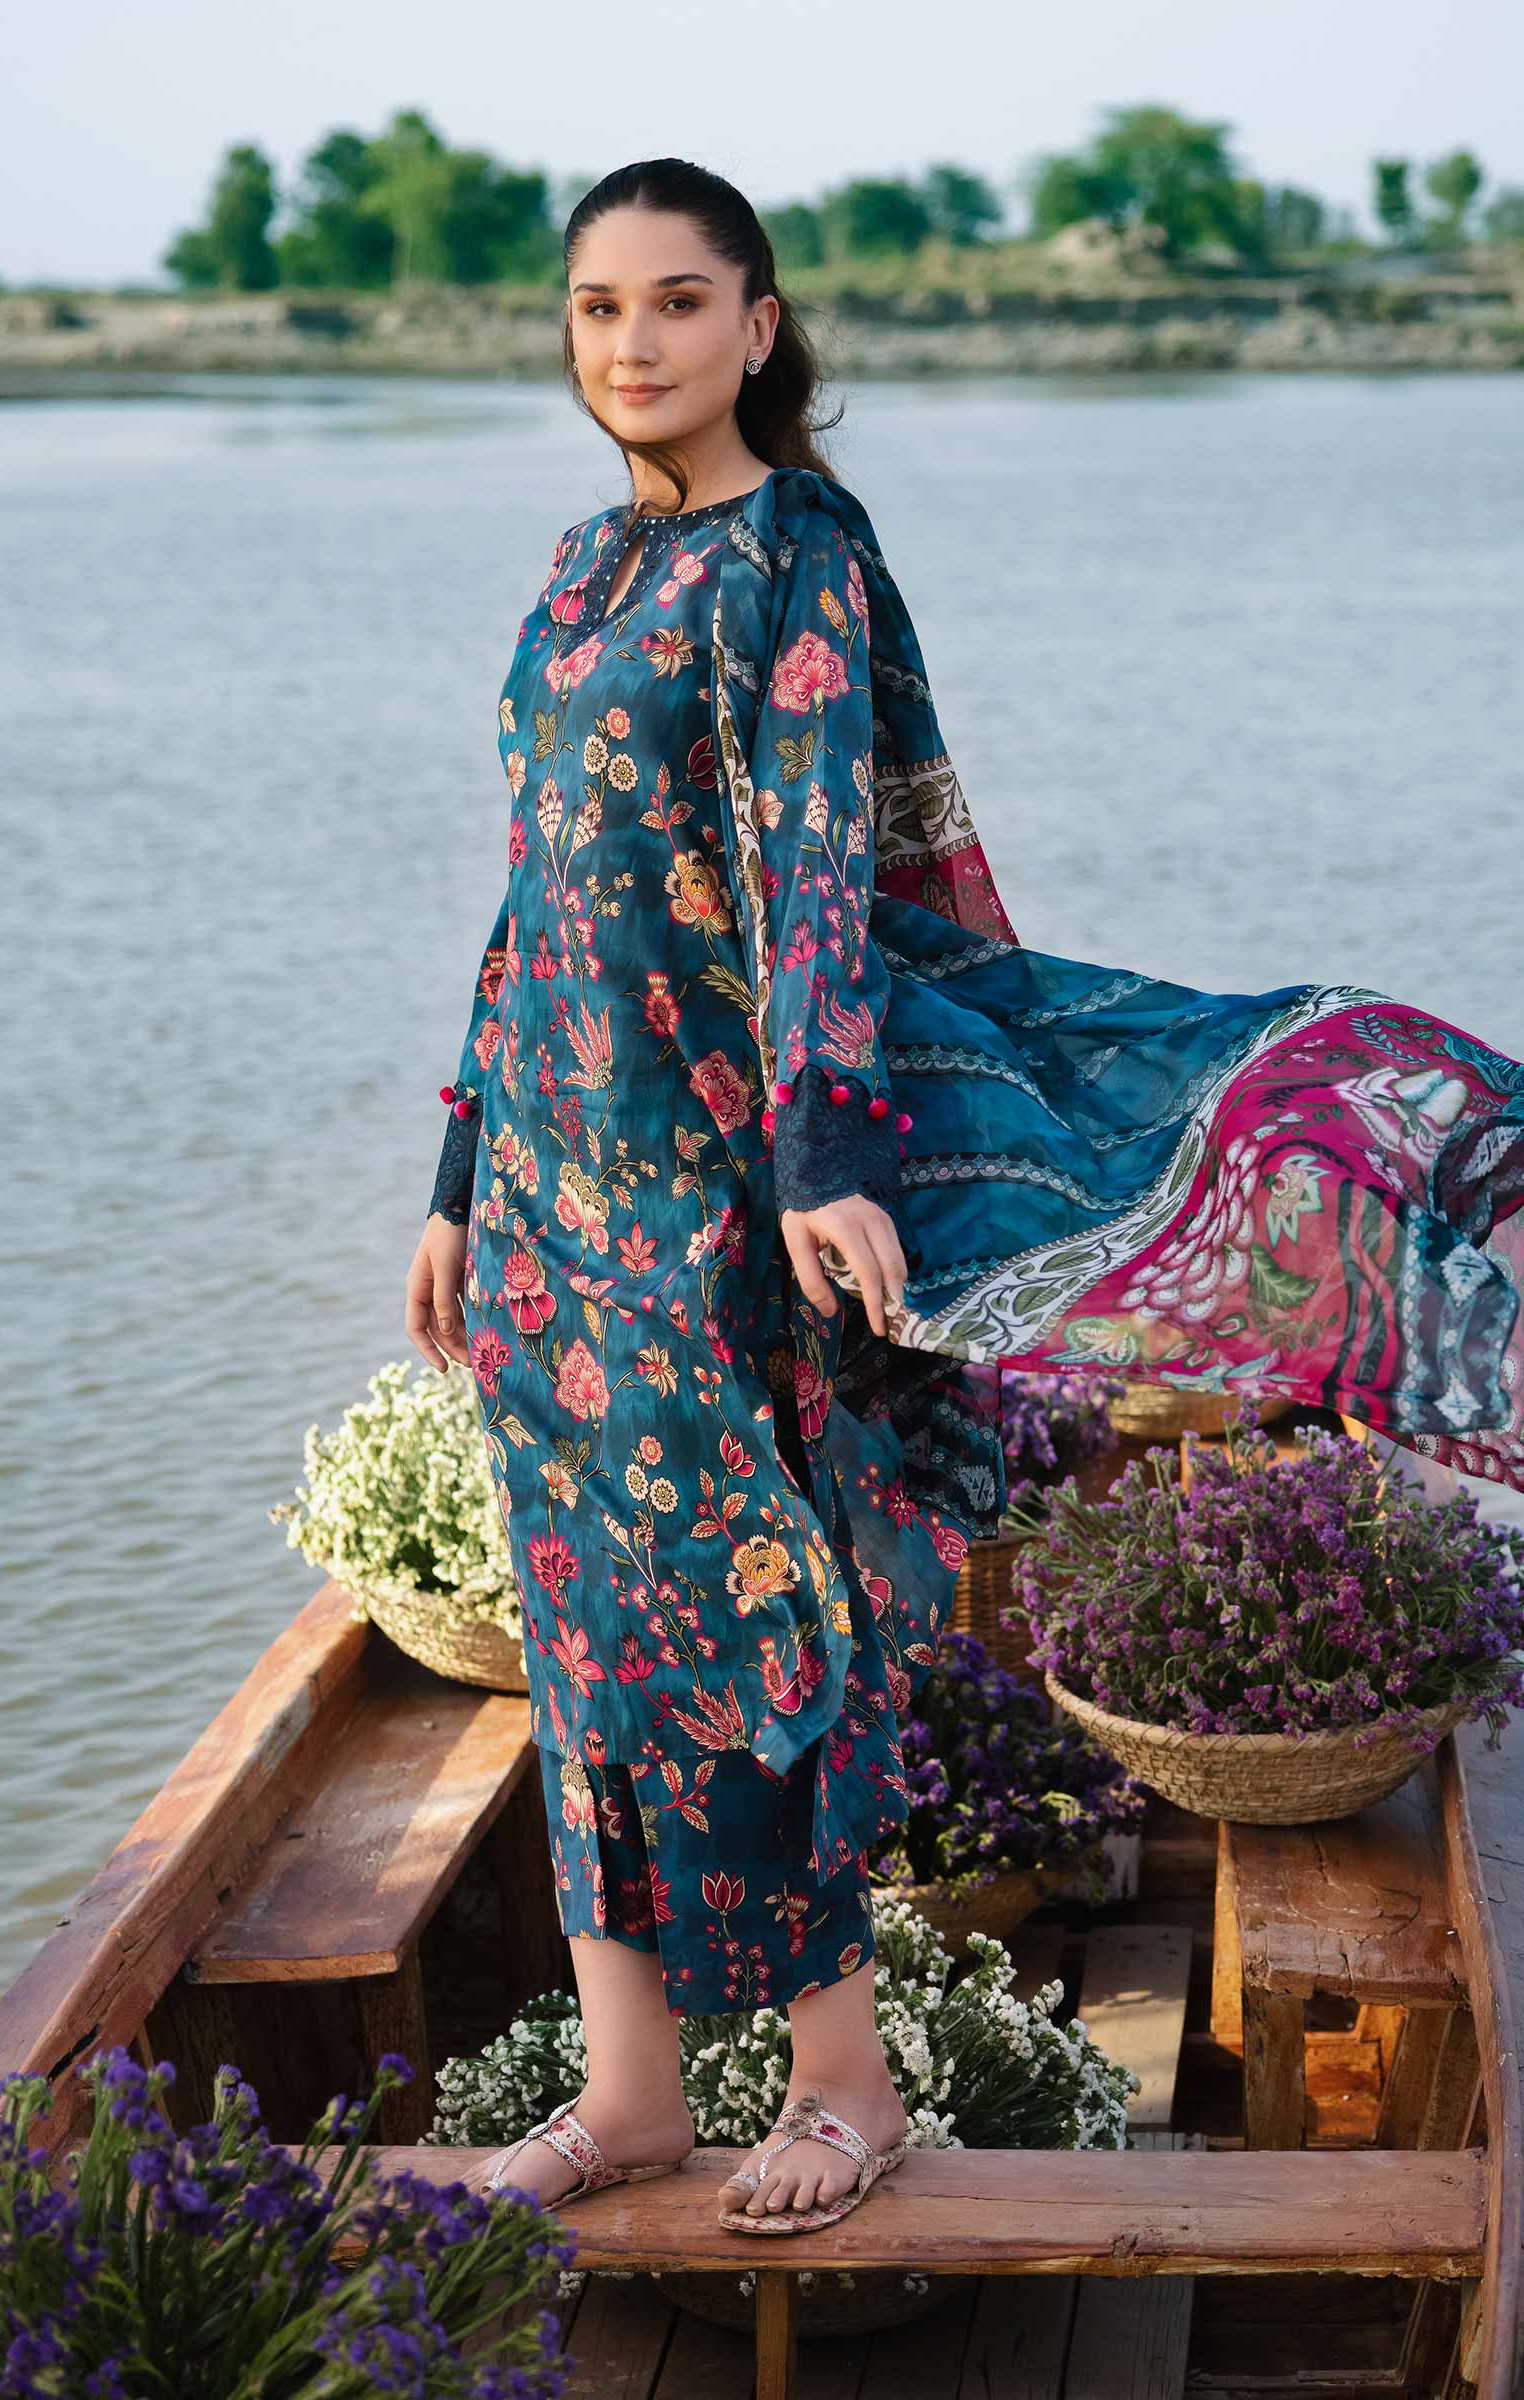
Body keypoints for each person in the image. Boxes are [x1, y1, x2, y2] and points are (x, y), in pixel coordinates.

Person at [404, 158, 1524, 2236]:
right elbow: (535, 888)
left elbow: (818, 876)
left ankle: (844, 2084)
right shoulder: (579, 570)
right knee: (582, 1640)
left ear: (757, 325)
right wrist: (461, 1172)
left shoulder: (796, 558)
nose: (630, 343)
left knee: (758, 1622)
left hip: (716, 1196)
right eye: (595, 308)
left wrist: (823, 1162)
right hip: (556, 1200)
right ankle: (630, 2093)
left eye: (675, 301)